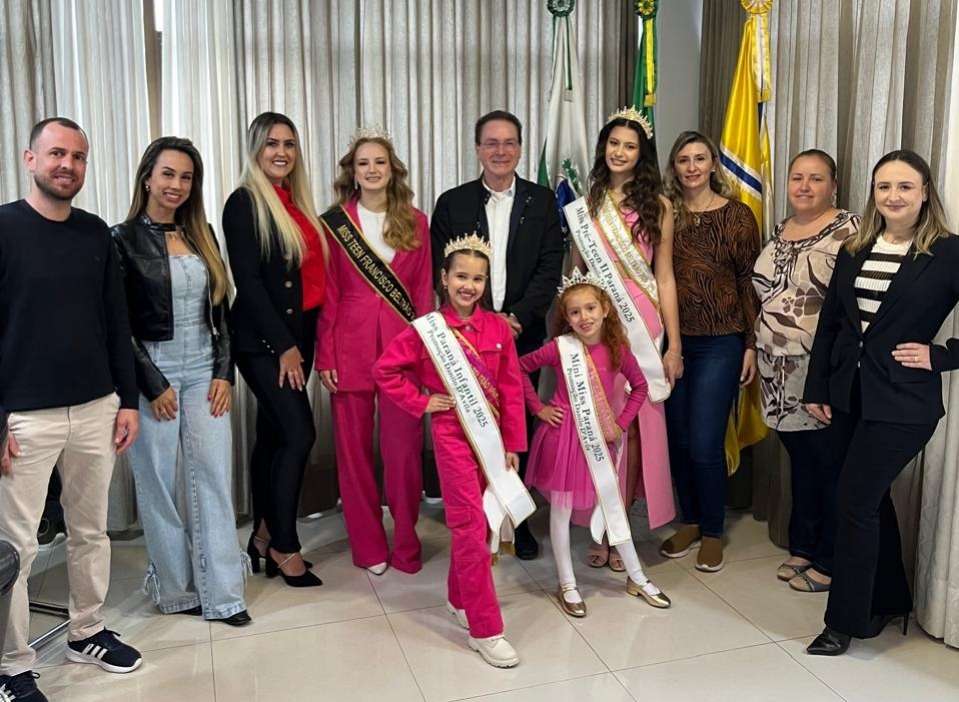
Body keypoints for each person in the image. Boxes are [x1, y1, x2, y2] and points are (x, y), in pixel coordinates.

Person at [0, 118, 143, 702]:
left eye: (78, 157)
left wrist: (126, 399)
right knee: (16, 548)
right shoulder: (4, 228)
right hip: (22, 418)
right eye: (57, 153)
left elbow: (116, 321)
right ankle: (11, 664)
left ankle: (86, 631)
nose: (68, 165)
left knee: (90, 531)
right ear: (30, 158)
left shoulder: (94, 233)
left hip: (95, 407)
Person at [803, 150, 959, 656]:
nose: (893, 196)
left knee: (853, 502)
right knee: (868, 500)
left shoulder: (948, 252)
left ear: (925, 193)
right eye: (883, 186)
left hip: (903, 403)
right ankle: (889, 598)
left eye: (905, 186)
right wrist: (817, 388)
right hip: (848, 395)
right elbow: (832, 323)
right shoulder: (856, 247)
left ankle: (843, 623)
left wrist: (941, 356)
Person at [112, 137, 250, 625]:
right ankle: (174, 590)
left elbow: (222, 311)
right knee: (158, 484)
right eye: (168, 174)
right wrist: (152, 383)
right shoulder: (121, 239)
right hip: (153, 368)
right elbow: (117, 322)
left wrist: (224, 372)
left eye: (186, 177)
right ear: (148, 177)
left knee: (213, 476)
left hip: (204, 369)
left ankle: (224, 595)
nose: (176, 185)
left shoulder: (202, 234)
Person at [374, 235, 526, 668]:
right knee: (469, 528)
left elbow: (512, 388)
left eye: (478, 279)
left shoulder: (498, 328)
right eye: (461, 276)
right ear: (444, 277)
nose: (468, 286)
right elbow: (385, 370)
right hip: (452, 437)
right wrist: (422, 402)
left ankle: (459, 599)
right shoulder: (427, 330)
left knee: (481, 526)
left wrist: (514, 444)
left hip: (492, 443)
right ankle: (486, 629)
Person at [430, 110, 564, 559]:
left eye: (509, 142)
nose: (500, 151)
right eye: (491, 142)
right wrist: (482, 322)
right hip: (467, 338)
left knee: (516, 423)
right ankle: (477, 522)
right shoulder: (452, 203)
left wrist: (516, 318)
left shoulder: (543, 202)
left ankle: (517, 521)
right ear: (477, 149)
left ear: (520, 149)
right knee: (470, 426)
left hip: (521, 335)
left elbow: (550, 268)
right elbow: (443, 273)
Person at [316, 128, 433, 575]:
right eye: (363, 163)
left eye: (379, 162)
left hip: (403, 349)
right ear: (352, 171)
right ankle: (368, 546)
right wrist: (325, 355)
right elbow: (328, 293)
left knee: (403, 453)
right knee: (354, 454)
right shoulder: (334, 224)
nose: (371, 170)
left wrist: (425, 355)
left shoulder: (416, 221)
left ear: (392, 169)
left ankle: (406, 543)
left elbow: (422, 293)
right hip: (349, 345)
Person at [520, 271, 671, 616]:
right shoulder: (561, 347)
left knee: (613, 505)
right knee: (561, 511)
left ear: (604, 309)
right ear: (566, 317)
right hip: (563, 440)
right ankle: (567, 584)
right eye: (574, 312)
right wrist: (539, 408)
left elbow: (641, 387)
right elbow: (518, 367)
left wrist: (621, 424)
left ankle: (637, 577)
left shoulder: (618, 348)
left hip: (600, 437)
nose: (584, 317)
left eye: (590, 308)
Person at [573, 107, 680, 571]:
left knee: (632, 427)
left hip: (641, 322)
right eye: (614, 143)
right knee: (598, 423)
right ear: (604, 149)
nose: (620, 152)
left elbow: (665, 276)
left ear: (642, 154)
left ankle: (621, 533)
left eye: (630, 146)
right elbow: (576, 273)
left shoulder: (659, 205)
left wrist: (674, 345)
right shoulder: (586, 204)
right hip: (596, 323)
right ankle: (599, 525)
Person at [223, 112, 326, 588]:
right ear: (255, 150)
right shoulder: (244, 202)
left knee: (274, 436)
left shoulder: (297, 203)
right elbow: (248, 282)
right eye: (271, 144)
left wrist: (302, 342)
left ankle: (263, 537)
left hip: (299, 336)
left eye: (288, 143)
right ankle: (284, 543)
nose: (281, 152)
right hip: (266, 342)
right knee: (300, 433)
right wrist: (283, 346)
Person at [753, 149, 859, 593]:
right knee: (800, 459)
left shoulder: (850, 231)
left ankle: (830, 559)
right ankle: (804, 544)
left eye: (816, 178)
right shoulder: (782, 228)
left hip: (818, 368)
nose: (804, 186)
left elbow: (850, 310)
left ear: (833, 186)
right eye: (797, 177)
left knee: (829, 461)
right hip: (774, 368)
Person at [658, 131, 761, 572]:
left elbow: (749, 282)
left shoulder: (737, 215)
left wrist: (751, 343)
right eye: (684, 159)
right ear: (674, 166)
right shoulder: (664, 213)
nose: (692, 167)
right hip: (673, 341)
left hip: (722, 340)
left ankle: (714, 531)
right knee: (678, 439)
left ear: (714, 164)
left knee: (704, 441)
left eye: (700, 158)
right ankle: (691, 521)